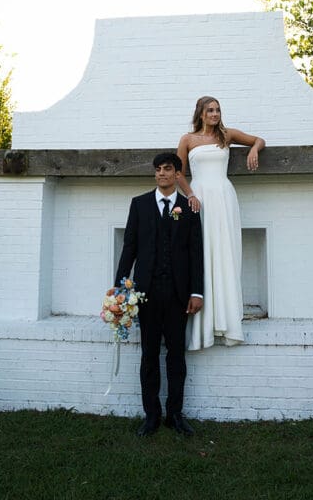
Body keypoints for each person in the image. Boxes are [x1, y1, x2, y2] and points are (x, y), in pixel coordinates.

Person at [115, 152, 204, 437]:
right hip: (146, 294)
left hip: (179, 295)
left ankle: (175, 414)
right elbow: (129, 247)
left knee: (176, 356)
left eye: (167, 169)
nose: (161, 174)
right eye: (157, 169)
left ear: (177, 174)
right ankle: (151, 416)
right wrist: (120, 290)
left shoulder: (189, 207)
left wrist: (197, 292)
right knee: (149, 355)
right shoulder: (139, 204)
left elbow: (196, 252)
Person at [176, 96, 265, 350]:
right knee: (202, 253)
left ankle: (227, 320)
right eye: (210, 110)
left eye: (217, 110)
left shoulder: (227, 135)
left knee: (225, 253)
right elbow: (178, 171)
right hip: (199, 198)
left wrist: (254, 149)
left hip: (224, 198)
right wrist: (190, 194)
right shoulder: (187, 139)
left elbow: (259, 140)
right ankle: (203, 324)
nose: (215, 114)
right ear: (201, 114)